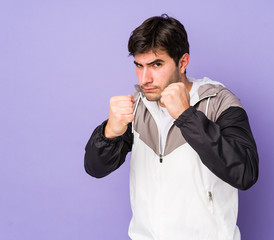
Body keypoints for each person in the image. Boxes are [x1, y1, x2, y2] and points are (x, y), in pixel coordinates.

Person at [84, 14, 259, 240]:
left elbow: (245, 173)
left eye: (156, 64)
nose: (145, 78)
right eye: (139, 65)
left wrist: (187, 116)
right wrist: (110, 133)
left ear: (183, 62)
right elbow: (95, 169)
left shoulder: (220, 102)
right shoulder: (136, 107)